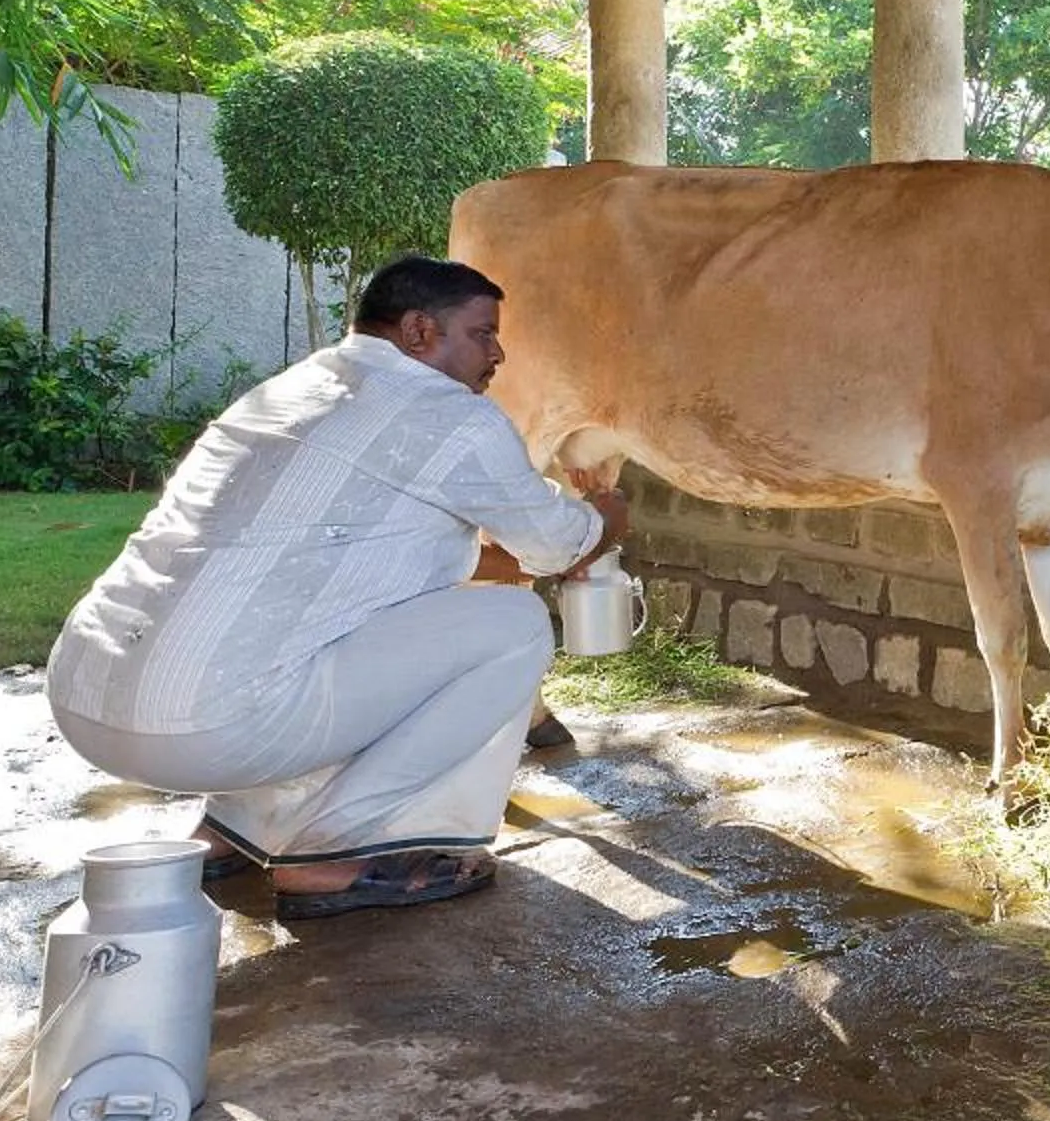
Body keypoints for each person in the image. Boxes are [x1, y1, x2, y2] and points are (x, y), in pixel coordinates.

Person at [46, 255, 628, 921]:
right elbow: (559, 544)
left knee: (320, 633)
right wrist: (608, 517)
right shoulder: (449, 414)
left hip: (86, 698)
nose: (497, 354)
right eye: (483, 333)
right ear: (417, 332)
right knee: (514, 626)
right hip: (205, 727)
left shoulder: (294, 389)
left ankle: (230, 831)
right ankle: (335, 852)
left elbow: (363, 567)